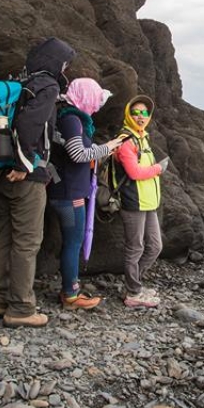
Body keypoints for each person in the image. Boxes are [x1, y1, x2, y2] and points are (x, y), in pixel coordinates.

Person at [0, 37, 75, 328]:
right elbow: (29, 126)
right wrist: (24, 165)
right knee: (27, 243)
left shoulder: (24, 83)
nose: (65, 69)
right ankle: (21, 309)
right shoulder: (47, 86)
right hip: (26, 176)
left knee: (4, 239)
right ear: (54, 62)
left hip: (1, 172)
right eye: (64, 63)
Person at [48, 78, 125, 310]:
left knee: (71, 242)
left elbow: (76, 150)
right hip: (69, 193)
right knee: (73, 242)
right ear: (85, 96)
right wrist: (108, 148)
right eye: (97, 98)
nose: (98, 104)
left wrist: (100, 149)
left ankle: (70, 288)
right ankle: (71, 295)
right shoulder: (72, 120)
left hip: (64, 190)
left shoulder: (67, 116)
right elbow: (78, 154)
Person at [114, 94, 165, 308]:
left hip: (149, 202)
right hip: (133, 202)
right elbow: (134, 173)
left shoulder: (143, 137)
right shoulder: (126, 141)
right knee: (135, 248)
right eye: (135, 112)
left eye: (144, 112)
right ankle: (133, 292)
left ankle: (133, 284)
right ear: (128, 114)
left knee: (155, 246)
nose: (140, 116)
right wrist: (159, 169)